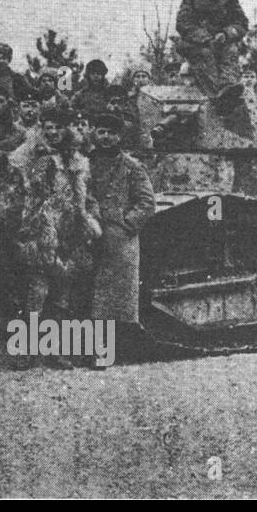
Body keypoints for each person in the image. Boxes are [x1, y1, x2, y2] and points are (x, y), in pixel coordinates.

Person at [0, 108, 101, 369]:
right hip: (36, 231)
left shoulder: (77, 160)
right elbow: (11, 197)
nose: (53, 133)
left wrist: (88, 219)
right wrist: (16, 230)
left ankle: (55, 350)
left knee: (61, 295)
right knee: (35, 294)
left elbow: (86, 197)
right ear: (41, 128)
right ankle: (26, 352)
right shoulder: (24, 157)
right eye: (49, 127)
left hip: (69, 232)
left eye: (59, 127)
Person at [87, 113, 155, 359]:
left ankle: (111, 350)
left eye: (111, 133)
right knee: (89, 294)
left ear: (120, 136)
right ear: (94, 133)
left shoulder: (132, 166)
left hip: (119, 238)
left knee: (115, 298)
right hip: (89, 233)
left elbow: (146, 202)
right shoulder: (85, 163)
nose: (106, 138)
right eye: (102, 132)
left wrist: (126, 224)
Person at [174, 0, 250, 96]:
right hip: (195, 41)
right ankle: (215, 94)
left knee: (231, 50)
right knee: (205, 54)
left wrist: (226, 34)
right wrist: (206, 38)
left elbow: (241, 22)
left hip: (222, 40)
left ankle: (228, 87)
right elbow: (183, 22)